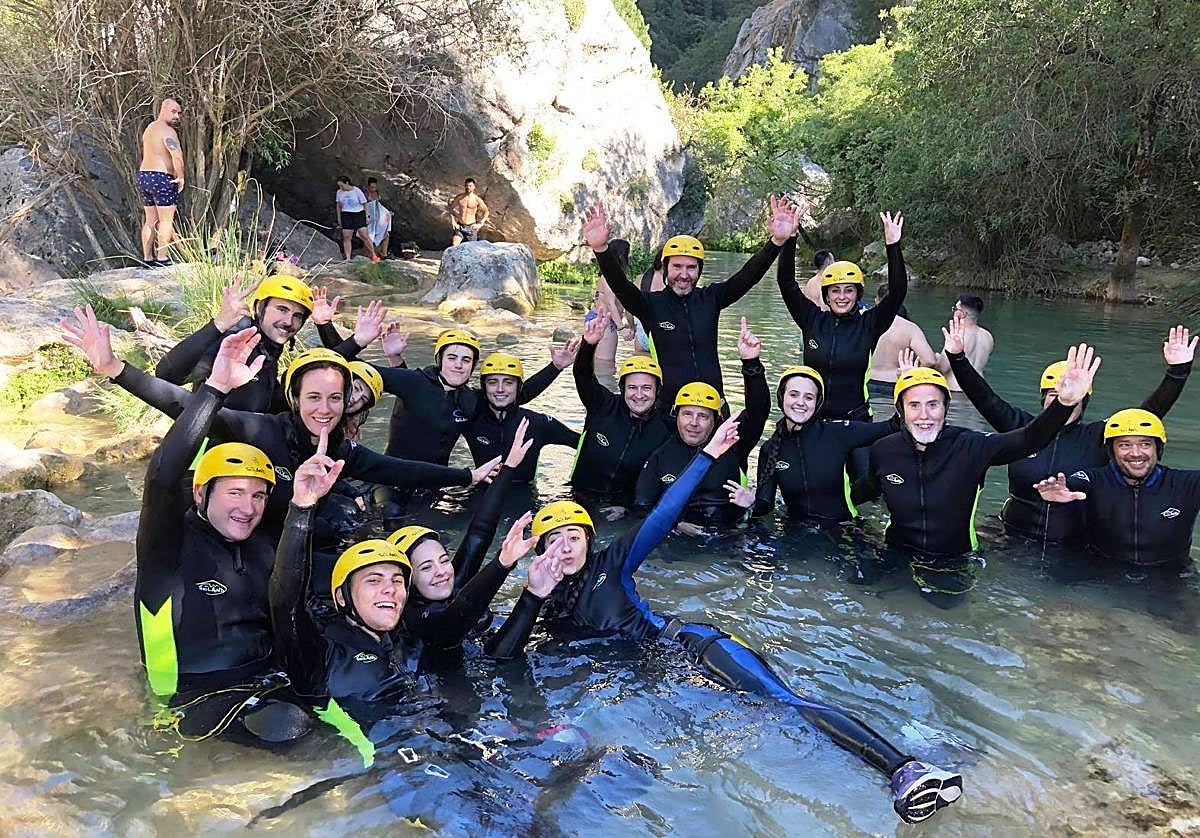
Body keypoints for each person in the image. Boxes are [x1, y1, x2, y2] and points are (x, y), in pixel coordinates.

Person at [486, 413, 963, 825]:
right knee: (767, 735)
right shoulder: (543, 603)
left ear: (590, 541)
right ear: (539, 550)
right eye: (554, 540)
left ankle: (905, 768)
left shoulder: (612, 562)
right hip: (666, 678)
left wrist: (708, 456)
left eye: (574, 536)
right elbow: (502, 657)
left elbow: (663, 513)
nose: (565, 547)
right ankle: (921, 746)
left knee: (784, 703)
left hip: (693, 646)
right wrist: (530, 595)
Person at [62, 306, 498, 540]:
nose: (325, 409)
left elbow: (397, 469)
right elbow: (182, 403)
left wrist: (467, 475)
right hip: (239, 536)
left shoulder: (339, 449)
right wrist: (116, 369)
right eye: (313, 398)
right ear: (294, 399)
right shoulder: (262, 429)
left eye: (335, 398)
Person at [121, 328, 311, 743]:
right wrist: (216, 388)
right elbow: (162, 477)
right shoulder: (168, 548)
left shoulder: (264, 544)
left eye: (258, 495)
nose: (248, 507)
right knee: (292, 730)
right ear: (200, 494)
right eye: (235, 493)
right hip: (191, 700)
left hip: (269, 683)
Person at [855, 347, 1097, 601]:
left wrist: (1063, 404)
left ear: (945, 408)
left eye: (933, 405)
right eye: (914, 405)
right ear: (900, 410)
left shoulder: (972, 446)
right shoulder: (884, 449)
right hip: (894, 551)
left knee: (946, 610)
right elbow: (866, 488)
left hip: (953, 560)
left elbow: (1029, 439)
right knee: (869, 597)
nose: (924, 416)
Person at [944, 321, 1194, 548]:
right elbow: (984, 397)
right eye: (1054, 395)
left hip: (1072, 548)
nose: (1062, 400)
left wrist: (1177, 372)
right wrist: (957, 357)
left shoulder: (1098, 436)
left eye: (1073, 395)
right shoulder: (1021, 427)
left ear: (1084, 401)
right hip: (1010, 536)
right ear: (1043, 399)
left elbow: (1144, 417)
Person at [582, 197, 803, 406]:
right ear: (665, 268)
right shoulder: (649, 305)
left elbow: (748, 276)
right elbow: (620, 286)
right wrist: (601, 250)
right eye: (677, 267)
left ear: (699, 270)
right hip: (669, 411)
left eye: (691, 267)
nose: (684, 275)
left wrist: (776, 242)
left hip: (713, 407)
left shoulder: (711, 298)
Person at [390, 420, 534, 651]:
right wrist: (502, 564)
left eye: (443, 560)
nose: (441, 572)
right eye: (426, 568)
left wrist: (509, 468)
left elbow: (479, 533)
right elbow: (456, 616)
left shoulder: (449, 584)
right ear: (407, 582)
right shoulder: (416, 619)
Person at [634, 318, 769, 530]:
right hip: (677, 539)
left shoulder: (732, 445)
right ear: (676, 416)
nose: (694, 423)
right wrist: (677, 526)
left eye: (703, 416)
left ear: (716, 421)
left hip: (728, 536)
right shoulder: (660, 456)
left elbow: (758, 412)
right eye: (687, 414)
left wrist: (751, 363)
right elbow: (642, 508)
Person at [777, 211, 908, 422]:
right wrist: (790, 238)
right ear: (826, 295)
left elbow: (897, 292)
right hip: (813, 420)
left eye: (849, 290)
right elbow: (786, 283)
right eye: (835, 290)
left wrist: (893, 245)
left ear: (858, 294)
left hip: (855, 420)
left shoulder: (869, 324)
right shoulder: (812, 319)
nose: (842, 297)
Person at [374, 328, 573, 467]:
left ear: (472, 366)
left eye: (466, 359)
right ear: (439, 359)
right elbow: (360, 373)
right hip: (393, 474)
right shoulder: (416, 381)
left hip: (435, 482)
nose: (458, 365)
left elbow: (513, 395)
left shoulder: (470, 399)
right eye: (452, 357)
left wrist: (555, 368)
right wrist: (383, 352)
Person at [1035, 410, 1200, 567]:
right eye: (1124, 445)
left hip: (1172, 576)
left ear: (1158, 448)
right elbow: (1074, 483)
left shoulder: (1187, 484)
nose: (1135, 453)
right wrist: (1062, 492)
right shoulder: (1093, 480)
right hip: (1102, 574)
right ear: (1111, 451)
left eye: (1145, 444)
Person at [155, 277, 326, 414]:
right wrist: (219, 325)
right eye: (282, 309)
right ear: (259, 308)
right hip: (211, 444)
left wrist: (326, 327)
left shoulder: (269, 353)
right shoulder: (235, 341)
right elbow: (166, 375)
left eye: (297, 316)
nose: (289, 321)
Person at [753, 366, 897, 524]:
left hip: (842, 528)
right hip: (794, 529)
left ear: (817, 403)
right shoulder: (770, 449)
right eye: (794, 395)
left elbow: (891, 427)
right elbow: (765, 505)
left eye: (809, 397)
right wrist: (750, 503)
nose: (800, 402)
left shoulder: (836, 432)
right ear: (782, 397)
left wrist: (904, 391)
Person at [571, 311, 671, 511]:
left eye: (646, 388)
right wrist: (589, 345)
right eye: (632, 387)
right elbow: (582, 374)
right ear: (623, 388)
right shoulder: (602, 405)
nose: (639, 395)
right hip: (578, 498)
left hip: (624, 510)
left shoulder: (665, 428)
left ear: (657, 391)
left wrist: (627, 508)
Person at [464, 352, 580, 484]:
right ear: (484, 386)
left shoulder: (537, 423)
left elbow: (585, 445)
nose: (500, 389)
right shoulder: (470, 420)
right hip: (483, 490)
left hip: (526, 491)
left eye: (508, 383)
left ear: (518, 387)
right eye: (492, 382)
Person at [867, 283, 943, 399]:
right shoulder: (910, 328)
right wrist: (912, 370)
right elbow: (930, 360)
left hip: (867, 380)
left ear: (877, 300)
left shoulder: (864, 322)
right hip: (896, 381)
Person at [138, 98, 185, 266]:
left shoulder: (149, 129)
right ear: (163, 109)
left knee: (150, 220)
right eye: (173, 111)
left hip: (144, 176)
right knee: (166, 221)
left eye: (178, 113)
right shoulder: (168, 131)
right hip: (162, 177)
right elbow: (176, 156)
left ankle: (147, 258)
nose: (177, 116)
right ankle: (162, 258)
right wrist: (180, 176)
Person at [940, 295, 993, 391]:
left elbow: (943, 367)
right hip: (980, 391)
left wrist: (934, 359)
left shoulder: (957, 337)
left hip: (956, 391)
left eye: (955, 309)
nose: (953, 312)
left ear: (963, 313)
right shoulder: (987, 336)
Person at [335, 176, 379, 262]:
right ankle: (348, 258)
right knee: (347, 236)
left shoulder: (356, 191)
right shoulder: (339, 192)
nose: (341, 188)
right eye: (339, 186)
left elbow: (365, 203)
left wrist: (367, 216)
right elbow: (338, 205)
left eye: (342, 185)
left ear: (347, 183)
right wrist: (339, 218)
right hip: (346, 214)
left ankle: (373, 254)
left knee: (364, 235)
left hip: (358, 213)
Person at [449, 177, 490, 245]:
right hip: (460, 226)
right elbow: (451, 208)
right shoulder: (460, 198)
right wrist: (453, 222)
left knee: (471, 248)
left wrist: (480, 224)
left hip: (471, 227)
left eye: (470, 186)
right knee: (455, 244)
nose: (468, 187)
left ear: (474, 187)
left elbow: (486, 211)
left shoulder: (477, 199)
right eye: (466, 185)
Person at [365, 177, 392, 259]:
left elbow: (379, 206)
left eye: (375, 187)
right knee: (367, 236)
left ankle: (384, 253)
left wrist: (387, 213)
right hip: (369, 218)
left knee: (386, 235)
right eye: (372, 187)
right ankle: (369, 254)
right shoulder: (365, 195)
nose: (373, 189)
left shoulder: (377, 193)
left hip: (378, 218)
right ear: (368, 186)